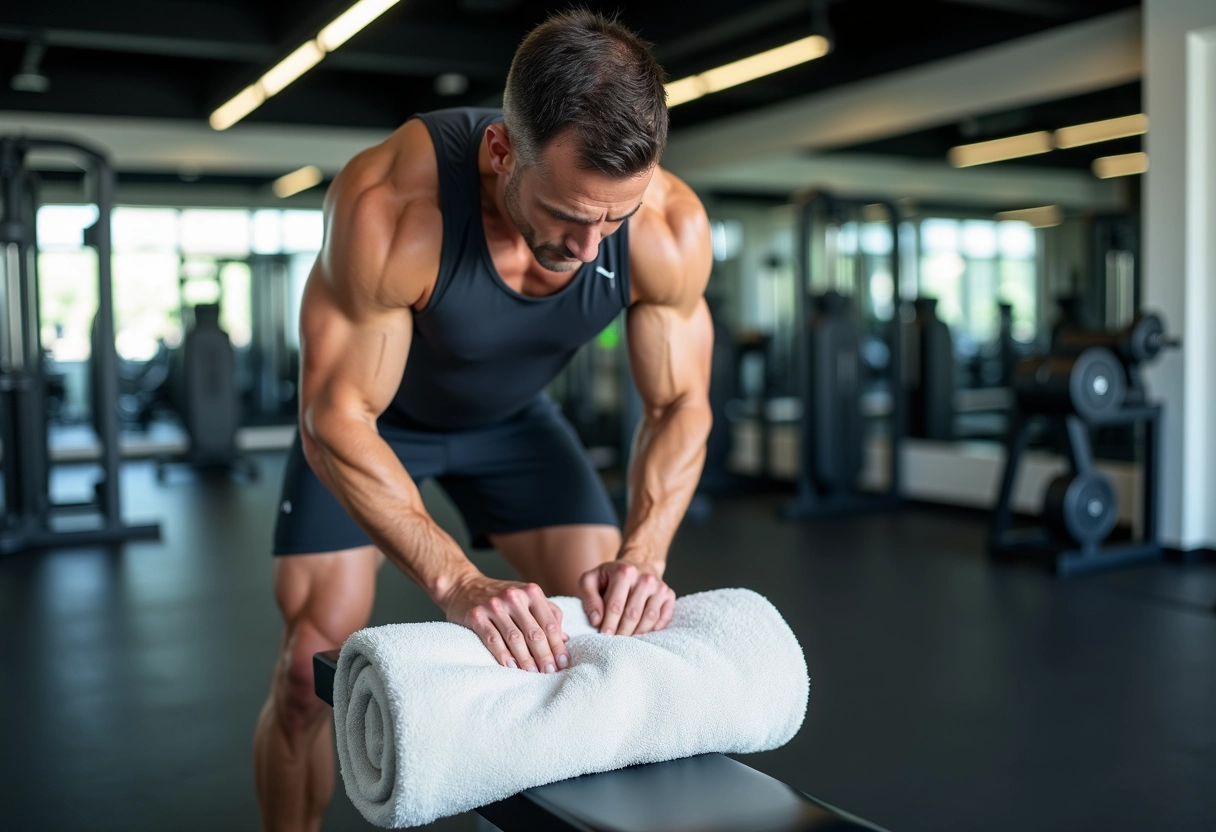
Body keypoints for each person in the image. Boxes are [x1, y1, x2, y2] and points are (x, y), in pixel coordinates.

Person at [252, 9, 713, 831]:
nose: (591, 247)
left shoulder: (668, 227)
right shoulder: (393, 205)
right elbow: (338, 417)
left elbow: (679, 403)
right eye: (568, 213)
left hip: (514, 425)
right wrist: (460, 582)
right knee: (304, 677)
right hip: (375, 427)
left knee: (605, 641)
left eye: (615, 217)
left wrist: (645, 555)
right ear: (502, 151)